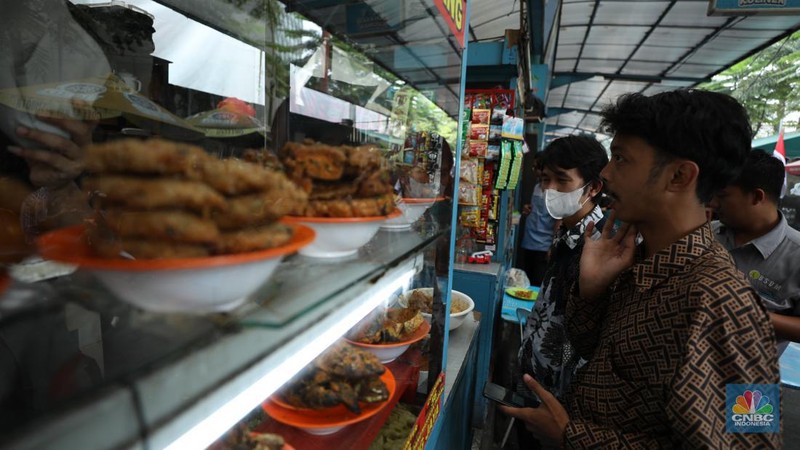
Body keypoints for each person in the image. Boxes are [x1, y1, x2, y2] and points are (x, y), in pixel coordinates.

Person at [501, 90, 780, 448]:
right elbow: (595, 353)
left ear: (679, 176)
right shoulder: (636, 257)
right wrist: (591, 293)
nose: (605, 172)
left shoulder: (727, 306)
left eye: (620, 159)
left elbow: (754, 442)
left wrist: (575, 437)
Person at [512, 135, 607, 446]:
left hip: (562, 406)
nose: (549, 189)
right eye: (545, 179)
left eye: (562, 180)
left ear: (593, 187)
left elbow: (584, 336)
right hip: (540, 385)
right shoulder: (567, 230)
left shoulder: (600, 244)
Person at [710, 149, 800, 356]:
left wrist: (749, 313)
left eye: (722, 195)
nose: (713, 203)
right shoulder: (706, 234)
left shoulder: (796, 256)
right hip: (686, 371)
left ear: (757, 196)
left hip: (751, 382)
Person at [517, 156, 557, 286]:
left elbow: (558, 220)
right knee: (527, 278)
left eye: (536, 167)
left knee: (537, 280)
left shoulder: (554, 192)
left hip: (543, 245)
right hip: (529, 240)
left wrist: (552, 246)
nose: (533, 170)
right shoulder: (536, 187)